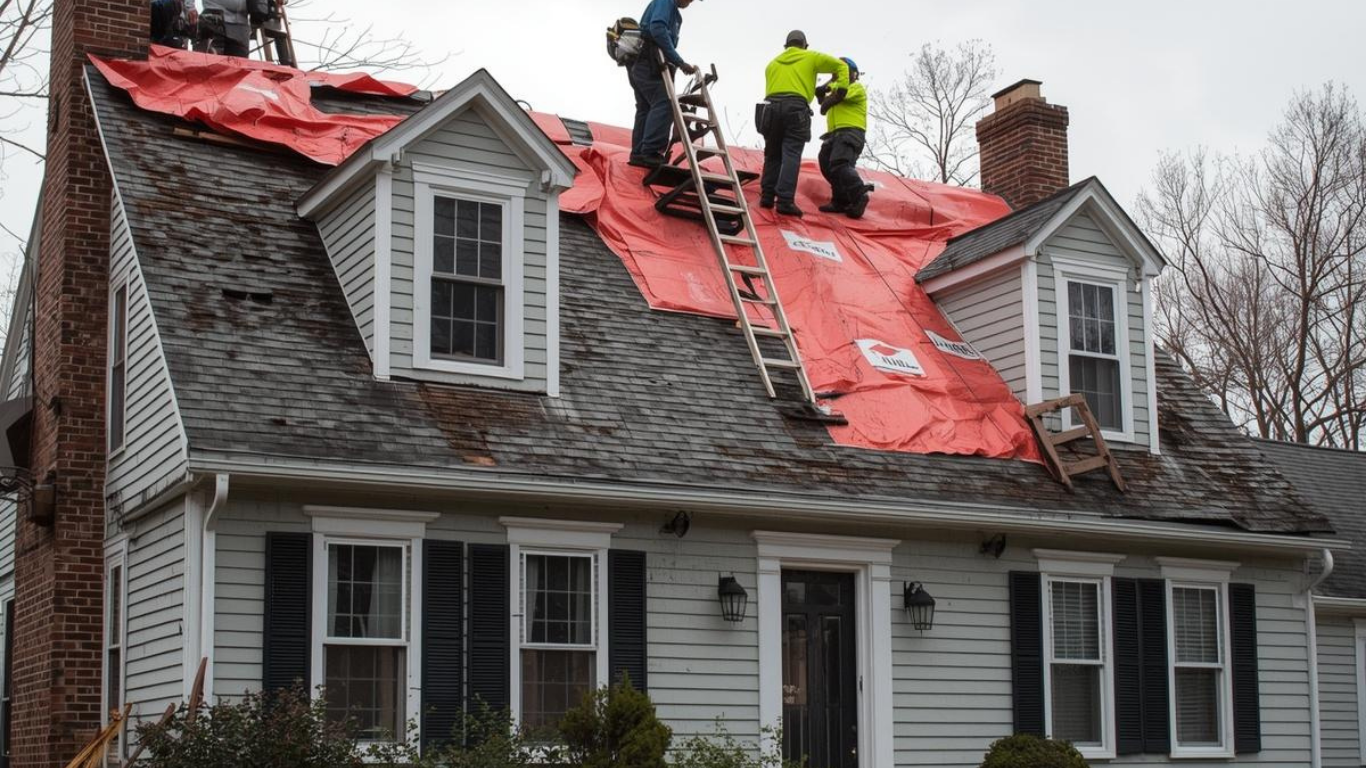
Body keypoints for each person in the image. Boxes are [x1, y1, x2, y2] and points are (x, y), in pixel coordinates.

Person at [758, 30, 849, 217]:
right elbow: (842, 66)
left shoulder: (772, 64)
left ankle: (767, 196)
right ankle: (784, 201)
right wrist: (841, 90)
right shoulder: (811, 57)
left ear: (786, 47)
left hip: (770, 109)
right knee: (791, 152)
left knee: (773, 153)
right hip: (795, 108)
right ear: (805, 46)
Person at [628, 0, 701, 169]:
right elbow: (658, 29)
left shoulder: (674, 13)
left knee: (645, 108)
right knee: (665, 102)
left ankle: (639, 153)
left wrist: (676, 63)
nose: (690, 2)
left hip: (643, 64)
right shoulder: (665, 2)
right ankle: (651, 151)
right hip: (648, 62)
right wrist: (679, 62)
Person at [816, 58, 871, 218]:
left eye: (843, 72)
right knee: (827, 163)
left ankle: (859, 194)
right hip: (835, 134)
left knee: (840, 164)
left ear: (852, 74)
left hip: (851, 132)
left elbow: (839, 94)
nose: (840, 76)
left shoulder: (856, 87)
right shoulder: (837, 88)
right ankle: (841, 201)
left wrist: (827, 87)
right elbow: (825, 100)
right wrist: (826, 88)